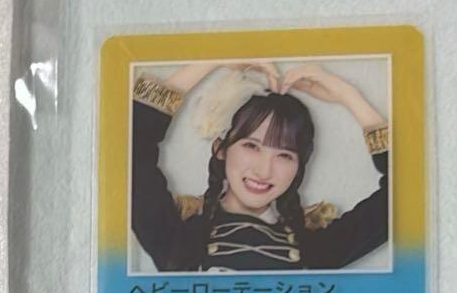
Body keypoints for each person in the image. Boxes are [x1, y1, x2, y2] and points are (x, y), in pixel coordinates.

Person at [131, 61, 390, 272]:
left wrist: (348, 95)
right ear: (221, 149)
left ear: (299, 168)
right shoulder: (179, 238)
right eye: (251, 146)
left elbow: (402, 196)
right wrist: (211, 60)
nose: (264, 171)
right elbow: (131, 151)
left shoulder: (314, 249)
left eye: (285, 155)